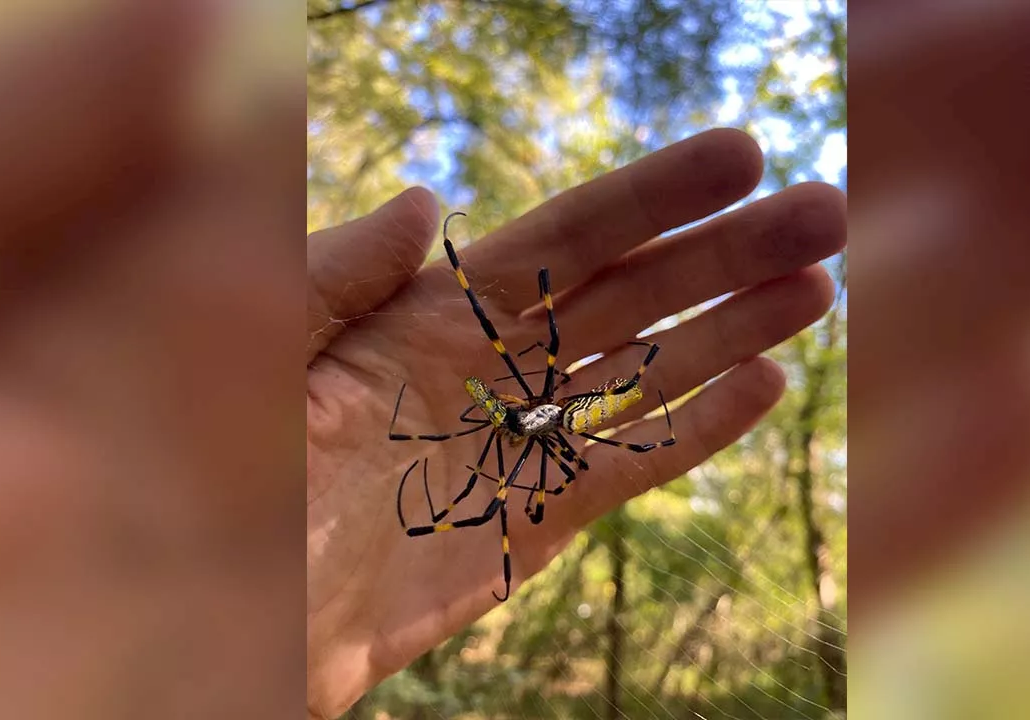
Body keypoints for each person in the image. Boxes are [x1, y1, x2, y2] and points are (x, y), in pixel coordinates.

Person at [305, 129, 847, 717]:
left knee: (550, 435)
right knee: (511, 461)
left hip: (552, 410)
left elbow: (561, 429)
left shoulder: (541, 420)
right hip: (538, 411)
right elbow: (506, 431)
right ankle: (474, 283)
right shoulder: (514, 420)